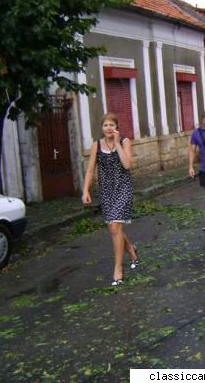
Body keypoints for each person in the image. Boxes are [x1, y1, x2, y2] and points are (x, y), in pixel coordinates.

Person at [82, 113, 138, 286]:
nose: (108, 128)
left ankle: (118, 268)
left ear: (116, 127)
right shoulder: (97, 145)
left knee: (115, 226)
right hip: (106, 190)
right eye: (105, 125)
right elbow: (90, 170)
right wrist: (85, 190)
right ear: (102, 128)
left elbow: (128, 165)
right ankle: (130, 248)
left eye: (111, 125)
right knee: (114, 228)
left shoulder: (125, 142)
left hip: (123, 188)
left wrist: (118, 143)